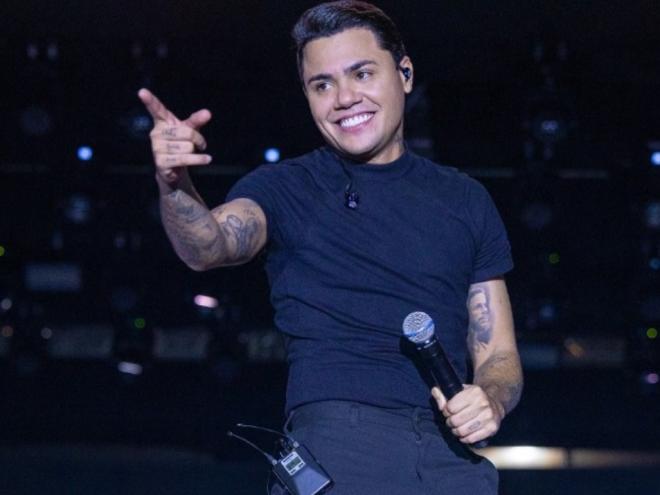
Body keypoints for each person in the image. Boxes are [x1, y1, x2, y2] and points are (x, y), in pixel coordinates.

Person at [138, 1, 522, 493]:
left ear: (404, 74)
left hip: (451, 462)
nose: (343, 98)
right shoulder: (286, 187)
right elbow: (208, 246)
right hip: (341, 452)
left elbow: (498, 352)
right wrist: (174, 184)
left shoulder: (465, 199)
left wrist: (490, 398)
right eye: (322, 85)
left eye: (362, 74)